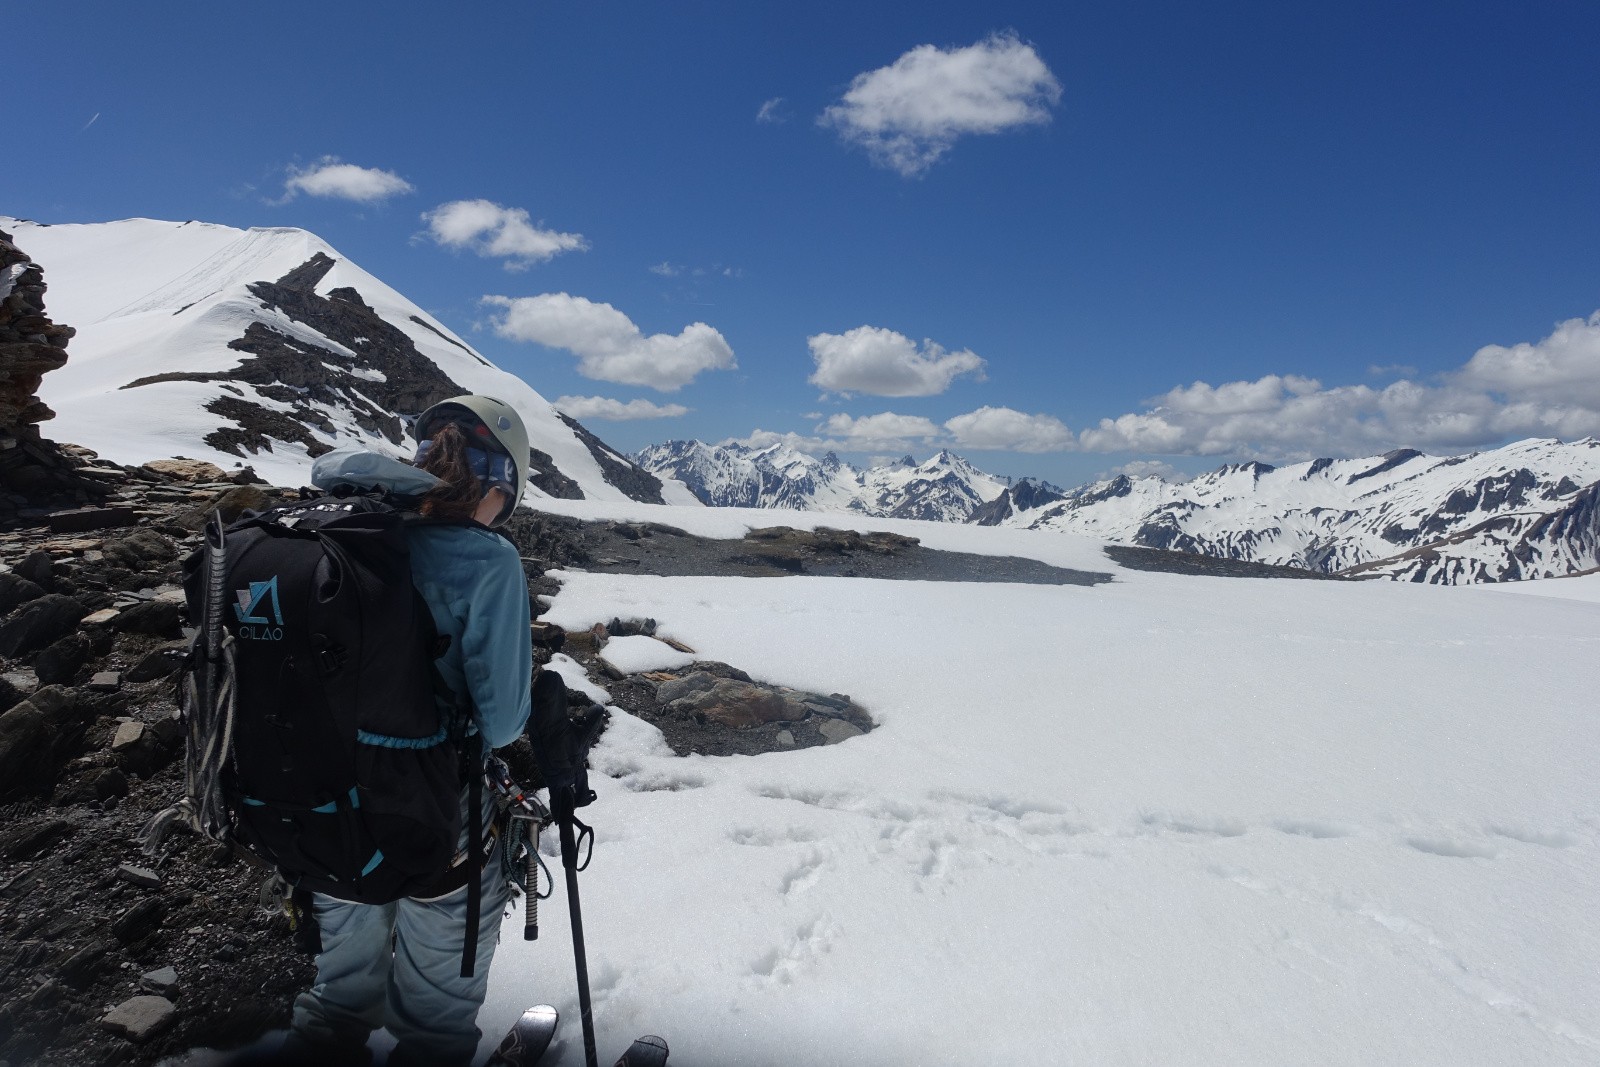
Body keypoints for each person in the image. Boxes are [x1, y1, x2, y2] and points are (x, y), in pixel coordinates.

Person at [279, 395, 534, 1066]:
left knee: (334, 1006)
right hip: (434, 819)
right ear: (500, 482)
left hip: (330, 810)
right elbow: (504, 721)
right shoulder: (487, 561)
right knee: (433, 1028)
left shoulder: (344, 539)